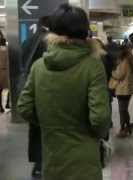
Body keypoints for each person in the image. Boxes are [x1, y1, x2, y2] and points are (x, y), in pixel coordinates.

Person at [17, 4, 111, 180]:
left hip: (51, 158)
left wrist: (49, 124)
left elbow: (24, 107)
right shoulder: (93, 66)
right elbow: (100, 118)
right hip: (85, 161)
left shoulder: (38, 67)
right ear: (85, 32)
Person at [20, 15, 50, 178]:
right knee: (48, 129)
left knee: (35, 128)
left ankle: (38, 165)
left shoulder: (27, 42)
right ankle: (44, 163)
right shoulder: (48, 42)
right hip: (46, 91)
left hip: (31, 91)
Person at [111, 45, 133, 137]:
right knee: (124, 109)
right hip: (127, 88)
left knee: (122, 110)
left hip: (123, 88)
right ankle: (127, 127)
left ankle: (123, 129)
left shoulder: (124, 61)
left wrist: (112, 73)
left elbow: (120, 75)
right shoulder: (130, 59)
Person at [0, 30, 8, 113]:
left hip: (2, 71)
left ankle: (1, 106)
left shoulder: (3, 46)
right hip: (2, 71)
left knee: (1, 89)